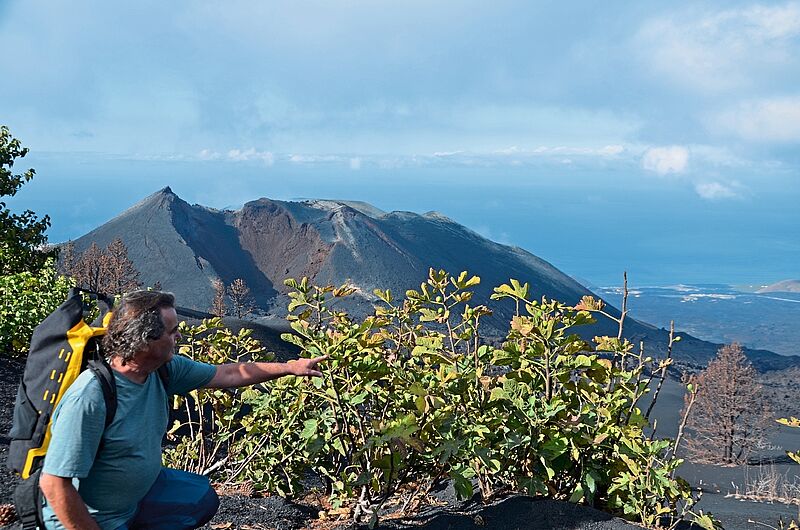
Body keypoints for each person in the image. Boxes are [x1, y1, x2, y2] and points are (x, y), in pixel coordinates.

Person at [38, 290, 326, 530]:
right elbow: (54, 484)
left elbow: (229, 373)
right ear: (145, 340)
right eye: (172, 331)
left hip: (133, 502)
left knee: (198, 497)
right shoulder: (90, 397)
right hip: (90, 521)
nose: (179, 336)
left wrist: (290, 367)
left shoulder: (163, 370)